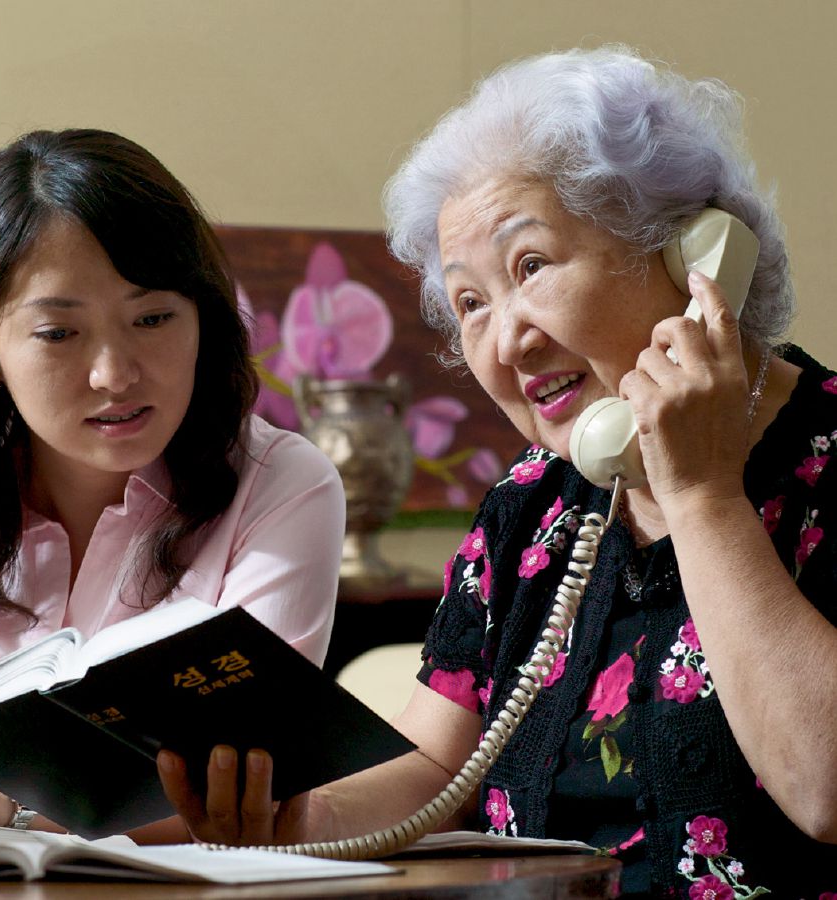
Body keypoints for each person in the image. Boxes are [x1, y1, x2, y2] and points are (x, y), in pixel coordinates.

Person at [158, 47, 837, 896]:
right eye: (470, 302)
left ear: (688, 259)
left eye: (531, 267)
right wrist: (292, 825)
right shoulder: (531, 505)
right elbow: (436, 770)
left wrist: (697, 493)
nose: (505, 338)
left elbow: (826, 791)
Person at [0, 129, 345, 835]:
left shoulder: (281, 485)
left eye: (153, 318)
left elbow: (230, 794)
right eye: (59, 334)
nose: (114, 375)